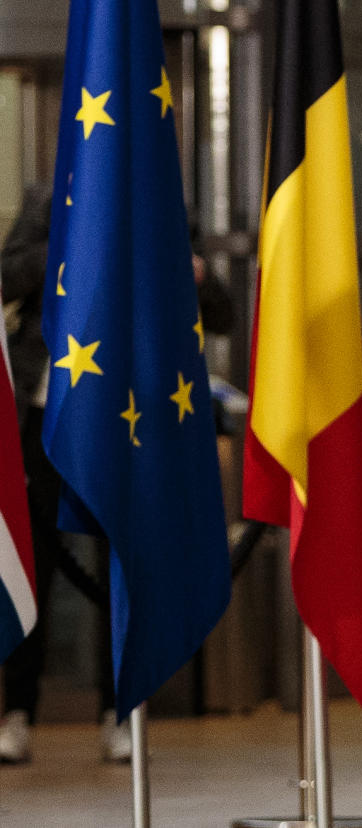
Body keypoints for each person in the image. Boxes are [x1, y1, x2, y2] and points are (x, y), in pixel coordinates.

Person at [0, 183, 231, 764]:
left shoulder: (159, 195)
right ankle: (18, 711)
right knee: (38, 566)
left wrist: (191, 271)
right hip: (46, 414)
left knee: (120, 568)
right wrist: (69, 245)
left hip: (127, 420)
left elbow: (222, 310)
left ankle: (120, 709)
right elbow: (6, 278)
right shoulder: (49, 199)